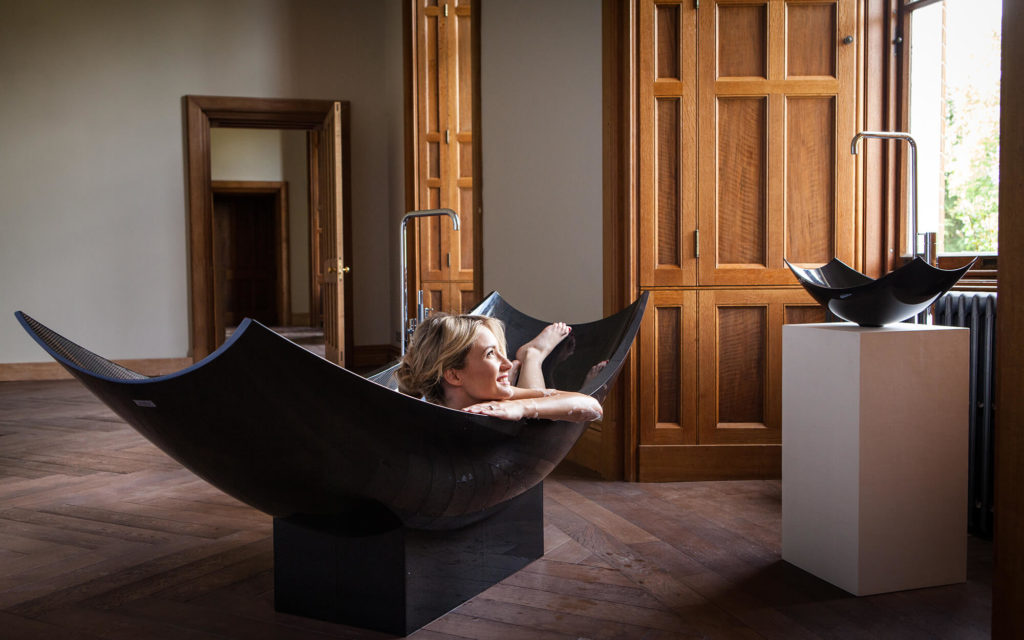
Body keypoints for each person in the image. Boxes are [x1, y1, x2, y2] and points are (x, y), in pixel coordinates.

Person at [396, 313, 603, 422]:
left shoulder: (493, 401)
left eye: (501, 352)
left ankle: (533, 356)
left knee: (529, 409)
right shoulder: (428, 423)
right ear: (454, 375)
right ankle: (532, 356)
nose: (505, 362)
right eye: (490, 354)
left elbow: (592, 406)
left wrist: (521, 407)